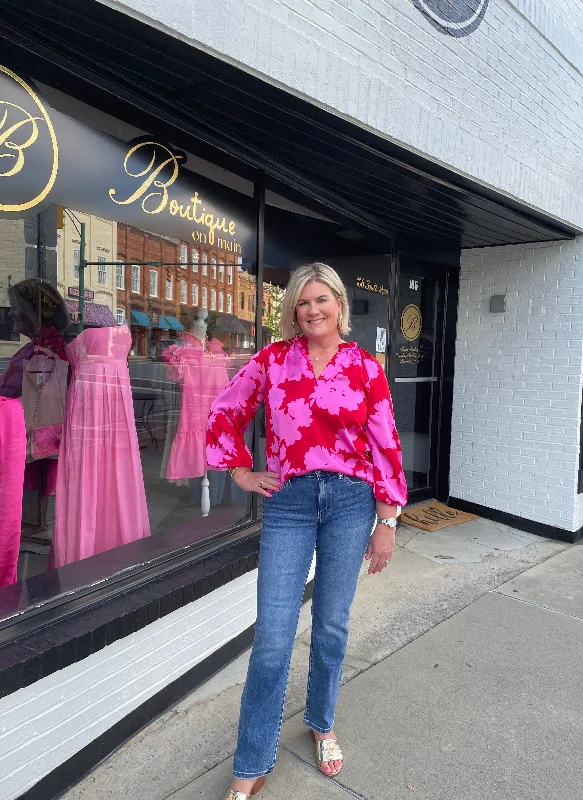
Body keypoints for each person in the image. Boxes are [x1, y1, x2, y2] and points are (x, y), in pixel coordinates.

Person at [206, 262, 407, 800]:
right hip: (289, 503)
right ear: (292, 309)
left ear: (340, 304)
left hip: (350, 503)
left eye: (322, 300)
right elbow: (224, 411)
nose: (313, 310)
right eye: (303, 302)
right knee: (272, 640)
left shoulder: (366, 367)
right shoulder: (272, 361)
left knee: (332, 626)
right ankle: (252, 761)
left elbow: (386, 444)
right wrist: (241, 471)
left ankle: (321, 721)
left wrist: (386, 522)